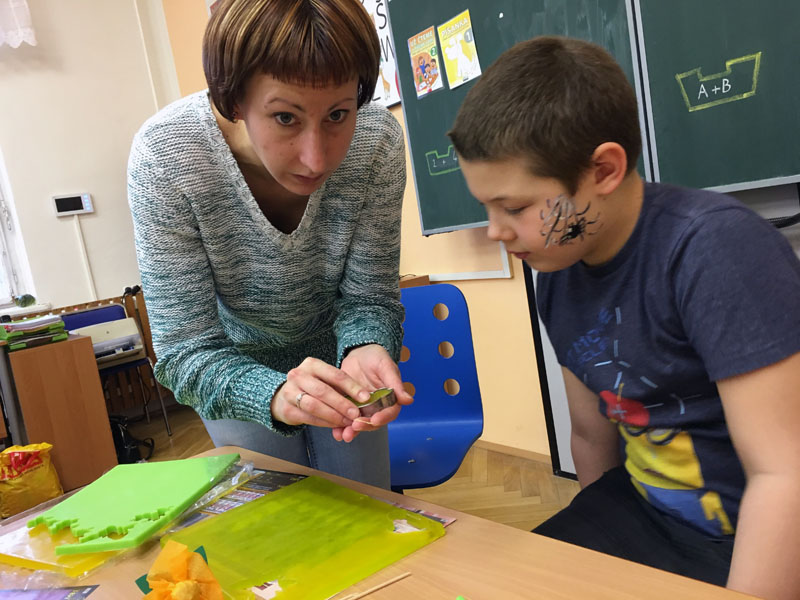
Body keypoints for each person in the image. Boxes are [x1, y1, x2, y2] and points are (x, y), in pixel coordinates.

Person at [448, 36, 800, 600]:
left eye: (514, 207)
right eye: (485, 207)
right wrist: (595, 554)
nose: (495, 230)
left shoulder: (716, 250)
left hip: (749, 534)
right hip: (646, 512)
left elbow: (785, 476)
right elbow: (591, 435)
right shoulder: (557, 270)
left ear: (604, 169)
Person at [127, 0, 413, 489]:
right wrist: (276, 394)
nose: (316, 158)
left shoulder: (376, 142)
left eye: (338, 114)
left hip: (342, 368)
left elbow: (370, 299)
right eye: (285, 117)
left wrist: (367, 345)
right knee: (276, 515)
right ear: (234, 99)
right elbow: (185, 350)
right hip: (233, 367)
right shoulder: (167, 157)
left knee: (367, 505)